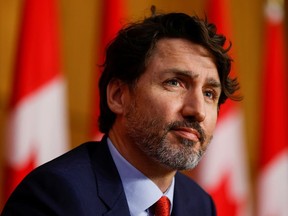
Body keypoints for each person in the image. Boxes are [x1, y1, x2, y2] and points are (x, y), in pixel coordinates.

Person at [1, 12, 240, 216]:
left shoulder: (199, 204)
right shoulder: (56, 197)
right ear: (118, 96)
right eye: (175, 82)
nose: (197, 110)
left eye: (209, 94)